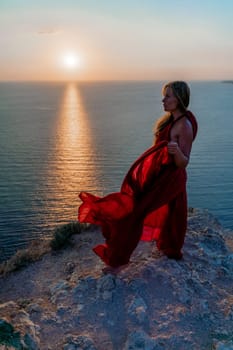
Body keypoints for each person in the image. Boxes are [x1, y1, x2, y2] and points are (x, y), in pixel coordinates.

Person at [78, 81, 198, 272]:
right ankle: (168, 247)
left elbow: (184, 162)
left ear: (179, 99)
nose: (163, 100)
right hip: (161, 177)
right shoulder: (170, 121)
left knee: (135, 213)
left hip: (170, 180)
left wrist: (176, 152)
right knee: (171, 213)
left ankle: (119, 259)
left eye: (168, 96)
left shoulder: (184, 126)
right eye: (164, 95)